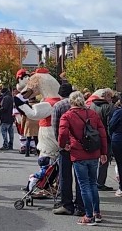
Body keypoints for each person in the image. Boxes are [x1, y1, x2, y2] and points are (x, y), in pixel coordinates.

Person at [58, 91, 108, 226]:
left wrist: (63, 145)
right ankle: (97, 212)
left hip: (78, 153)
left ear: (71, 102)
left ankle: (89, 216)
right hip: (94, 152)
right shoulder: (92, 114)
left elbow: (62, 133)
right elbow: (102, 133)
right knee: (93, 184)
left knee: (84, 185)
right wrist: (104, 152)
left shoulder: (67, 115)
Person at [52, 83, 85, 217]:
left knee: (65, 176)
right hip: (80, 146)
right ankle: (80, 205)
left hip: (65, 146)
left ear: (60, 94)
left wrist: (61, 144)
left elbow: (55, 128)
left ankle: (67, 205)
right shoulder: (84, 107)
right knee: (80, 177)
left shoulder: (58, 106)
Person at [89, 88, 114, 191]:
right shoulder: (108, 107)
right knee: (104, 161)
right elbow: (109, 124)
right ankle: (100, 182)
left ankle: (92, 180)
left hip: (92, 136)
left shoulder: (92, 105)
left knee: (93, 160)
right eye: (110, 97)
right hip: (104, 137)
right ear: (107, 97)